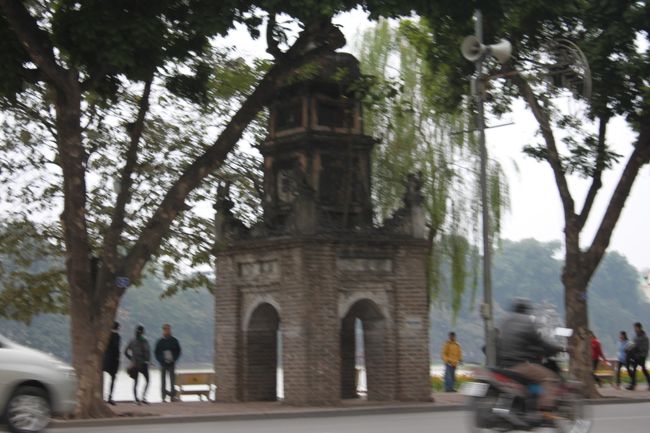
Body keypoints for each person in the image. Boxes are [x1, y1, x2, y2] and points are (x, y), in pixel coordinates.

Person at [498, 299, 563, 412]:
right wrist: (558, 348)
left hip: (504, 364)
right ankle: (545, 410)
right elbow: (539, 342)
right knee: (549, 377)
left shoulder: (506, 321)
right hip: (519, 364)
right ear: (526, 310)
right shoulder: (526, 321)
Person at [155, 323, 182, 402]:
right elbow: (156, 352)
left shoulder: (174, 340)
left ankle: (172, 396)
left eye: (168, 329)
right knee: (163, 380)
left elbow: (178, 351)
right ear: (163, 330)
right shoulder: (160, 341)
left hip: (171, 363)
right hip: (163, 364)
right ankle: (163, 397)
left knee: (172, 380)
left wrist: (174, 359)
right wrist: (161, 360)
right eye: (166, 329)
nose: (167, 331)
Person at [125, 325, 151, 404]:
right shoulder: (144, 341)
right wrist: (148, 361)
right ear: (143, 332)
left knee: (136, 382)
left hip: (135, 364)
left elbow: (125, 352)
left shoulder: (132, 340)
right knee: (147, 380)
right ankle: (143, 397)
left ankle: (136, 399)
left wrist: (131, 358)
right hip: (143, 364)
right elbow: (147, 353)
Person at [626, 322, 650, 390]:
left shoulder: (645, 337)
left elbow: (646, 349)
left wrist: (641, 355)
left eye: (635, 328)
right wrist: (629, 348)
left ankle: (634, 384)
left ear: (639, 328)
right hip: (635, 356)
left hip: (641, 356)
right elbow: (633, 345)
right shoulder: (635, 337)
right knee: (634, 369)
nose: (634, 329)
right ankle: (633, 385)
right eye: (634, 328)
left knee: (643, 369)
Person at [102, 321, 120, 405]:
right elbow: (116, 348)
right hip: (113, 360)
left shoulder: (106, 335)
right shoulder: (117, 336)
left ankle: (102, 396)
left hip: (105, 359)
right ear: (117, 328)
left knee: (102, 378)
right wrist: (117, 358)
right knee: (112, 378)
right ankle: (109, 397)